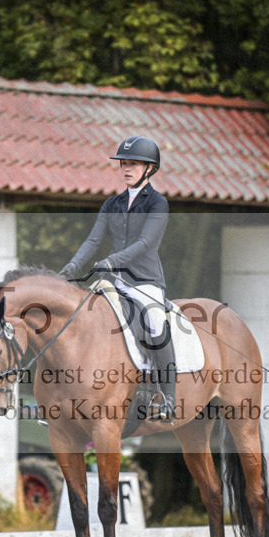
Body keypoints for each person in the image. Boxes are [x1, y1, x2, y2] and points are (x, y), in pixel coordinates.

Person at [59, 135, 175, 423]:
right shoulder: (112, 203)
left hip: (145, 281)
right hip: (112, 282)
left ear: (150, 168)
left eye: (133, 164)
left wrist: (113, 260)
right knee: (80, 319)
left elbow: (146, 243)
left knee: (155, 320)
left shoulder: (157, 204)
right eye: (124, 163)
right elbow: (94, 239)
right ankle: (64, 398)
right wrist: (72, 267)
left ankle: (168, 397)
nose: (126, 168)